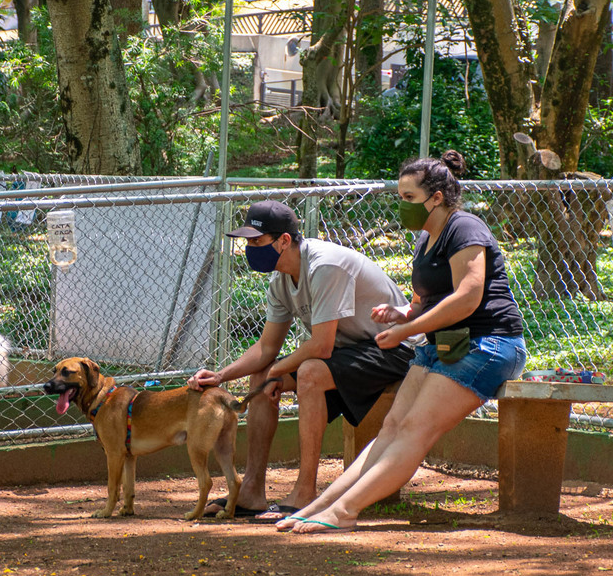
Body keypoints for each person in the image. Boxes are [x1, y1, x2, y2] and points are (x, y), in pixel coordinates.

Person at [276, 151, 528, 534]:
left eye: (408, 197)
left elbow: (468, 297)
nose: (401, 205)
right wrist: (402, 315)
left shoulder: (465, 228)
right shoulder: (426, 237)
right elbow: (424, 301)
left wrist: (406, 332)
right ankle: (321, 505)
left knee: (413, 429)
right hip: (444, 345)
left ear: (437, 198)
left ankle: (344, 511)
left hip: (489, 344)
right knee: (392, 426)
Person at [188, 200, 416, 520]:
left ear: (284, 240)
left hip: (397, 348)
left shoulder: (324, 265)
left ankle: (305, 494)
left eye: (257, 241)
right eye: (248, 242)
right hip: (353, 350)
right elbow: (267, 348)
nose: (250, 248)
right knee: (263, 375)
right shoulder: (280, 280)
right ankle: (252, 489)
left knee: (308, 372)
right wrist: (221, 376)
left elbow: (321, 347)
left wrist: (279, 370)